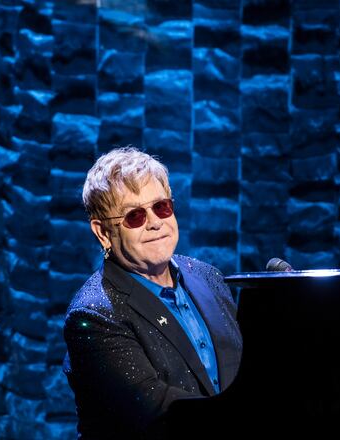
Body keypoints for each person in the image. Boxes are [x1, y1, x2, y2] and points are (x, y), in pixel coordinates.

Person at [63, 147, 243, 439]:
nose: (155, 222)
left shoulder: (208, 277)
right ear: (103, 233)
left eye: (161, 207)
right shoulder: (94, 314)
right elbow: (157, 412)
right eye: (135, 216)